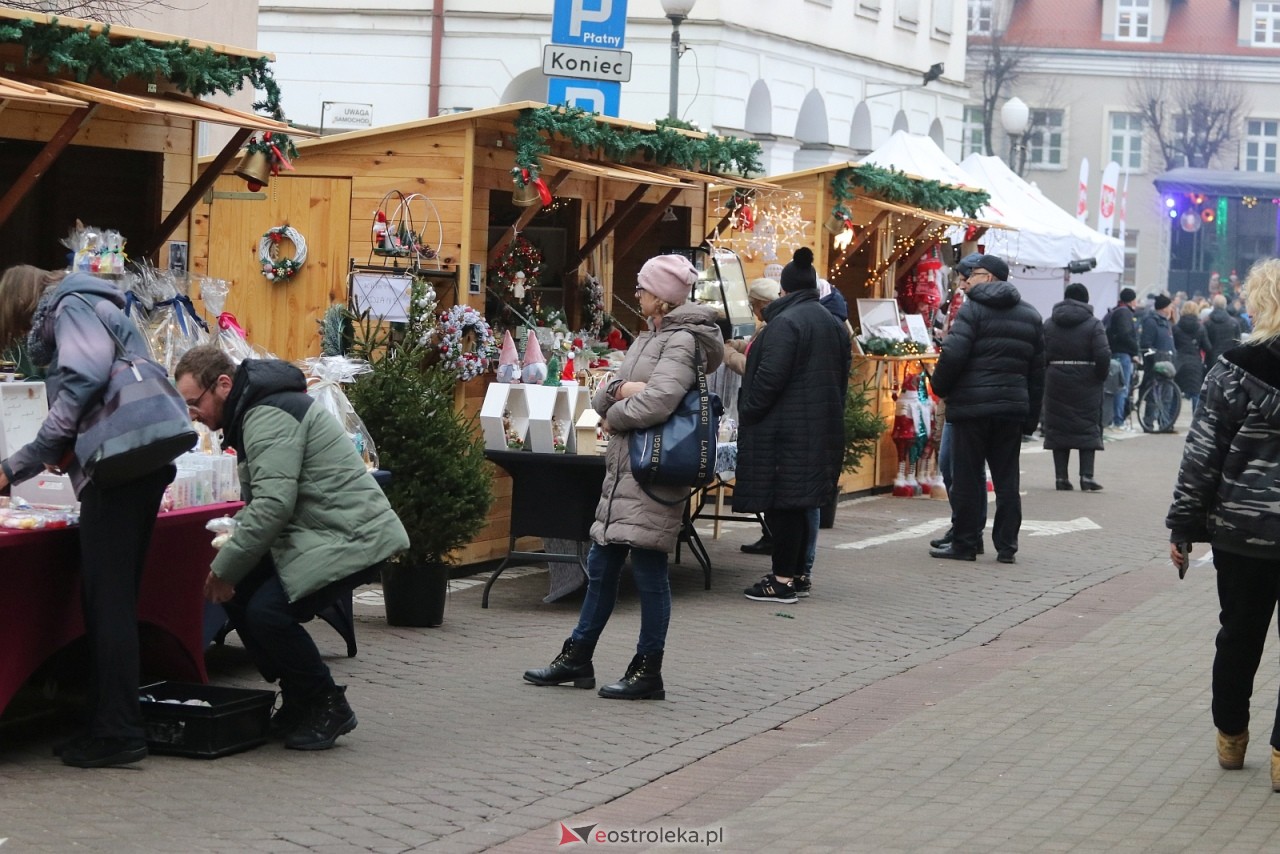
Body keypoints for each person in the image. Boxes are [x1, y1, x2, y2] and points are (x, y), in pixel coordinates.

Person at [174, 346, 409, 749]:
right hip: (324, 532)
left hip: (351, 536)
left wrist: (225, 568)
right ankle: (300, 697)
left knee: (266, 612)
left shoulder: (266, 414)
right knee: (242, 594)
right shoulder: (257, 411)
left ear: (224, 385)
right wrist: (232, 566)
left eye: (195, 403)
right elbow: (270, 500)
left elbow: (273, 505)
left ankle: (327, 703)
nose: (193, 414)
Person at [524, 254, 724, 700]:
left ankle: (647, 670)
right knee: (602, 565)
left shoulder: (683, 341)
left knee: (650, 569)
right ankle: (577, 656)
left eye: (642, 288)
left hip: (652, 468)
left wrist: (616, 413)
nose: (636, 294)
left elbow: (659, 401)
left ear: (663, 297)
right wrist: (618, 394)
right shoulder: (650, 337)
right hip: (626, 469)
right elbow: (607, 388)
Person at [0, 266, 177, 768]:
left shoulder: (70, 305)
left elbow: (83, 379)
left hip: (119, 470)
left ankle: (118, 731)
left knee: (108, 603)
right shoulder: (95, 303)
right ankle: (107, 723)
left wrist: (18, 464)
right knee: (111, 599)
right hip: (139, 461)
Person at [1167, 257, 1280, 793]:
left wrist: (1183, 527)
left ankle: (1231, 737)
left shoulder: (1233, 370)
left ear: (1258, 303)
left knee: (1238, 636)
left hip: (1244, 533)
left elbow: (1202, 455)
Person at [734, 247, 850, 603]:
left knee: (783, 504)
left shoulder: (785, 324)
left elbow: (769, 379)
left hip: (785, 431)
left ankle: (781, 579)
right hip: (819, 427)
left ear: (783, 290)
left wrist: (749, 411)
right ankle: (798, 574)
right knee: (801, 503)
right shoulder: (832, 322)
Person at [929, 255, 1044, 564]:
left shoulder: (973, 311)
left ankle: (965, 544)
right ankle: (1007, 546)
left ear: (991, 277)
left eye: (976, 274)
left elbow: (953, 355)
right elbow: (1037, 372)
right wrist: (1031, 417)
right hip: (1011, 410)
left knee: (968, 477)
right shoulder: (1030, 315)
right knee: (1008, 481)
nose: (969, 279)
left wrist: (939, 386)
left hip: (972, 408)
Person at [930, 252, 989, 552]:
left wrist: (941, 381)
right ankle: (964, 526)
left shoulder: (975, 308)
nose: (962, 284)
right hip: (958, 394)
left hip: (965, 396)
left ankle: (969, 530)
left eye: (966, 279)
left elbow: (960, 351)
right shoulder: (961, 305)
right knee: (952, 466)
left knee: (961, 467)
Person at [727, 277, 781, 558]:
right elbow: (752, 348)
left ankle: (771, 535)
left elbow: (754, 367)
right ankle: (769, 534)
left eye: (754, 305)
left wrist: (728, 356)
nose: (753, 310)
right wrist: (736, 344)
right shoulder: (767, 329)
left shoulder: (775, 329)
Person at [1041, 282, 1111, 491]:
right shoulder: (1094, 324)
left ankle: (1061, 478)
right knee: (1087, 427)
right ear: (1086, 300)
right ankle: (1086, 477)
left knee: (1058, 427)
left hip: (1056, 379)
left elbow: (1041, 352)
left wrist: (1048, 373)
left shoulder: (1049, 324)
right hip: (1087, 380)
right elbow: (1103, 354)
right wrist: (1099, 375)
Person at [1105, 287, 1140, 428]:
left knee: (1116, 387)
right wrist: (1134, 351)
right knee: (1122, 387)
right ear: (1132, 300)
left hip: (1115, 352)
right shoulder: (1125, 314)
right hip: (1123, 354)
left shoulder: (1115, 311)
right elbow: (1125, 334)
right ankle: (1118, 420)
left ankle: (1115, 418)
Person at [1173, 300, 1211, 413]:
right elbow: (1207, 347)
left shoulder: (1176, 328)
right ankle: (1196, 420)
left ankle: (1169, 420)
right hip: (1195, 363)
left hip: (1179, 362)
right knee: (1196, 393)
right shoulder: (1200, 328)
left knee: (1175, 392)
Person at [1205, 294, 1243, 364]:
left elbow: (1205, 344)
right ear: (1225, 305)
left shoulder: (1207, 323)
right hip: (1229, 359)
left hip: (1212, 359)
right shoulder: (1234, 323)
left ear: (1213, 305)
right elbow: (1238, 343)